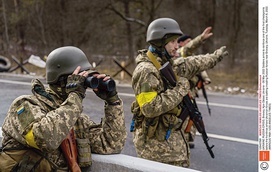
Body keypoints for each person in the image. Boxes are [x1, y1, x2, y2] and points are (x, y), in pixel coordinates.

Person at [0, 46, 127, 171]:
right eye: (79, 77)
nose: (83, 83)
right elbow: (44, 139)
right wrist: (76, 96)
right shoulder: (25, 105)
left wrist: (112, 102)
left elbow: (110, 144)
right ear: (62, 79)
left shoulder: (75, 118)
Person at [130, 18, 228, 167]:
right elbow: (149, 108)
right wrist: (181, 89)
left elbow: (196, 62)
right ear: (160, 42)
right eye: (173, 42)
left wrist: (216, 56)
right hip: (157, 151)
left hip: (172, 145)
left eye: (177, 42)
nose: (177, 46)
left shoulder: (169, 64)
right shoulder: (146, 70)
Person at [177, 27, 213, 148]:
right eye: (187, 42)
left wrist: (205, 78)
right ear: (181, 43)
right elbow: (189, 47)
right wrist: (201, 38)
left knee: (193, 115)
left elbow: (200, 68)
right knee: (185, 115)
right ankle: (183, 138)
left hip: (191, 90)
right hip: (182, 89)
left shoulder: (190, 55)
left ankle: (188, 138)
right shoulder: (181, 52)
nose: (190, 44)